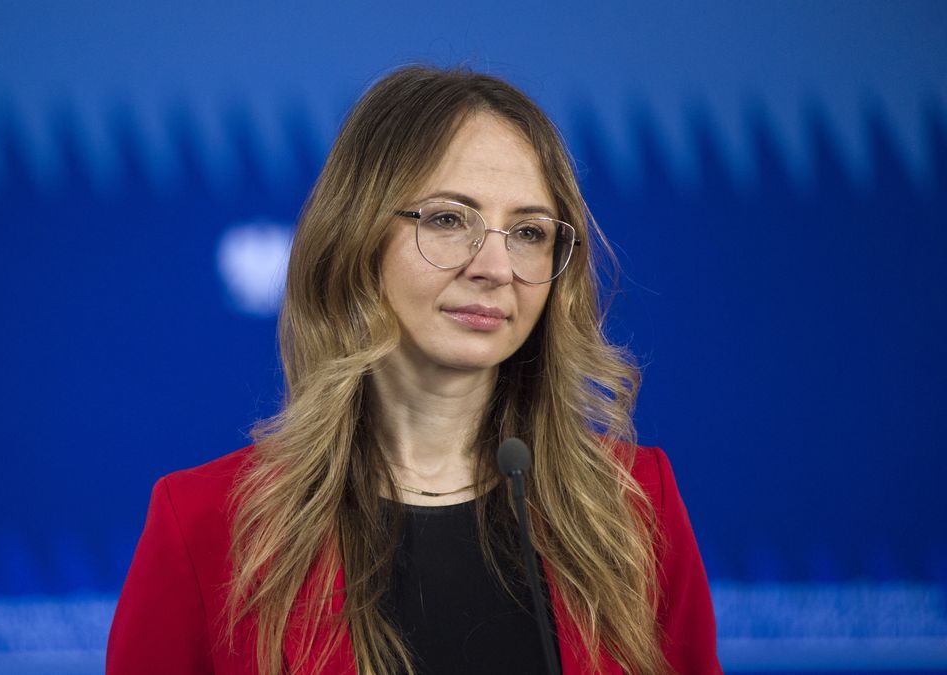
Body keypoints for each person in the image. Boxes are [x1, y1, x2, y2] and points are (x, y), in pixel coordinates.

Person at [107, 66, 720, 674]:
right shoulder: (203, 525)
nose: (496, 267)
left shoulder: (635, 505)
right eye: (450, 219)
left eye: (529, 231)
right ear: (357, 234)